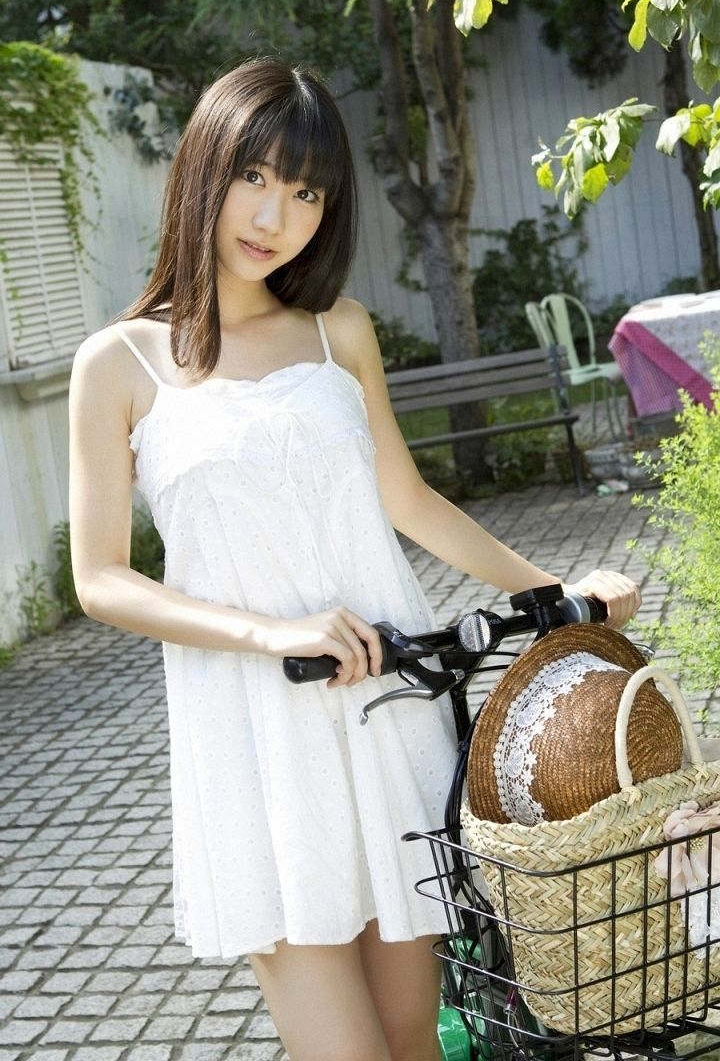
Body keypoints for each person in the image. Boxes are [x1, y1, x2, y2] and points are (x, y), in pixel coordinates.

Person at [69, 56, 641, 1061]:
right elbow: (101, 577)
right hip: (255, 736)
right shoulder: (119, 363)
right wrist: (271, 632)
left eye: (307, 193)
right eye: (254, 176)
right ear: (204, 168)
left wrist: (562, 597)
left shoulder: (339, 334)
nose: (274, 216)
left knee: (416, 1040)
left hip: (389, 710)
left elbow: (408, 500)